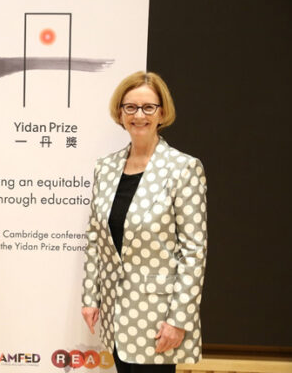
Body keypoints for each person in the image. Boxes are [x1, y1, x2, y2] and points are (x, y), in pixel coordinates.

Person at [81, 71, 207, 372]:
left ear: (162, 112)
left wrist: (179, 319)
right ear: (120, 113)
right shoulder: (106, 167)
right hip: (115, 313)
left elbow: (194, 252)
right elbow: (96, 240)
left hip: (159, 318)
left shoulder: (184, 169)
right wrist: (90, 296)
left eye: (148, 107)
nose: (139, 115)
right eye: (131, 107)